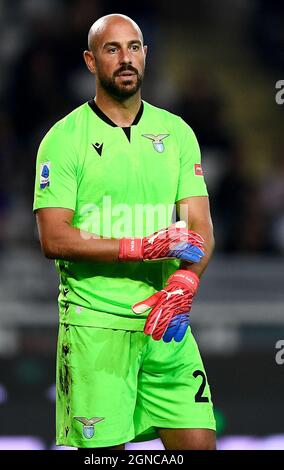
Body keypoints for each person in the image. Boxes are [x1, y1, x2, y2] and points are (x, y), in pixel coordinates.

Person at [33, 13, 216, 450]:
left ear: (146, 54)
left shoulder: (177, 133)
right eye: (112, 50)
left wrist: (187, 279)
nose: (126, 58)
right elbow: (54, 237)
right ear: (91, 61)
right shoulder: (64, 139)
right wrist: (140, 248)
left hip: (166, 323)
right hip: (96, 330)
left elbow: (200, 227)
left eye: (134, 47)